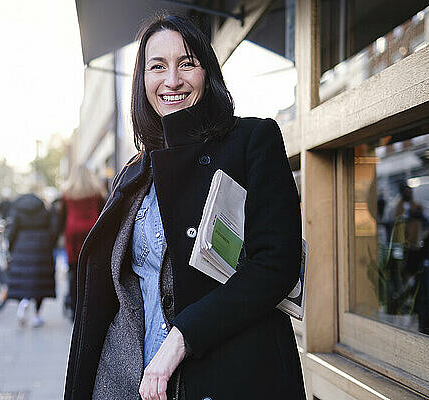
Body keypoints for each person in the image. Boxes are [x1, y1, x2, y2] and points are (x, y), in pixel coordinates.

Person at [65, 14, 304, 400]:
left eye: (187, 63)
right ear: (142, 81)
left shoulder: (251, 140)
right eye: (157, 66)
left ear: (207, 73)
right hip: (133, 380)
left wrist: (181, 339)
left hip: (225, 373)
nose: (171, 80)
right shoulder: (134, 173)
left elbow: (275, 265)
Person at [5, 190, 58, 327]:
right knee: (39, 282)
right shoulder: (44, 211)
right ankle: (37, 316)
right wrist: (49, 244)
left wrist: (11, 248)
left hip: (21, 245)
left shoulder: (18, 211)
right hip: (42, 246)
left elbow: (11, 231)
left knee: (24, 279)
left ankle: (24, 301)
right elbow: (53, 228)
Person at [60, 166, 106, 318]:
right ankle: (92, 308)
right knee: (92, 271)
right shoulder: (96, 192)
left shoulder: (67, 193)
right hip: (91, 232)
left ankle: (75, 310)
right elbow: (103, 213)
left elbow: (62, 216)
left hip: (73, 235)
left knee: (74, 273)